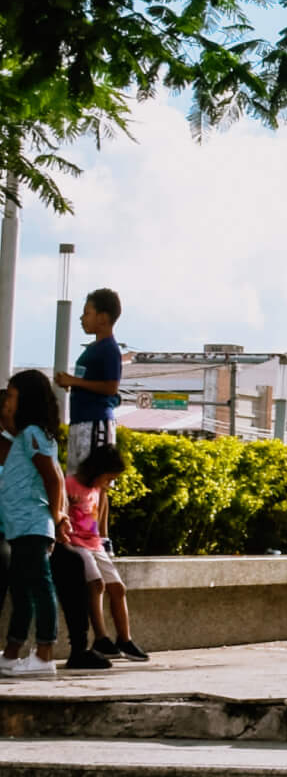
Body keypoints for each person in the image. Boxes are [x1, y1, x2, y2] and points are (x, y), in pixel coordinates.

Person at [0, 370, 68, 676]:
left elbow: (53, 478)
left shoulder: (31, 435)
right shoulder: (26, 436)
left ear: (26, 400)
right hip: (20, 527)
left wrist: (55, 516)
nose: (8, 402)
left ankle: (44, 654)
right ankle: (11, 653)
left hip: (32, 525)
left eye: (12, 396)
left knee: (40, 588)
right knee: (21, 590)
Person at [59, 440, 141, 663]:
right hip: (76, 543)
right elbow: (61, 511)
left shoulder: (98, 490)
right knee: (96, 585)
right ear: (97, 471)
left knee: (118, 587)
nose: (109, 483)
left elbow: (100, 517)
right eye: (108, 478)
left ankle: (124, 638)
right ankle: (101, 637)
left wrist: (104, 540)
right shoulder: (69, 485)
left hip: (94, 543)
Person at [54, 289, 120, 527]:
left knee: (95, 480)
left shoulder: (109, 349)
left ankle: (97, 535)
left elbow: (111, 387)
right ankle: (84, 529)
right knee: (80, 479)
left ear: (103, 317)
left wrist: (75, 382)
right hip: (81, 421)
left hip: (95, 422)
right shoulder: (92, 349)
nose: (82, 319)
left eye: (87, 313)